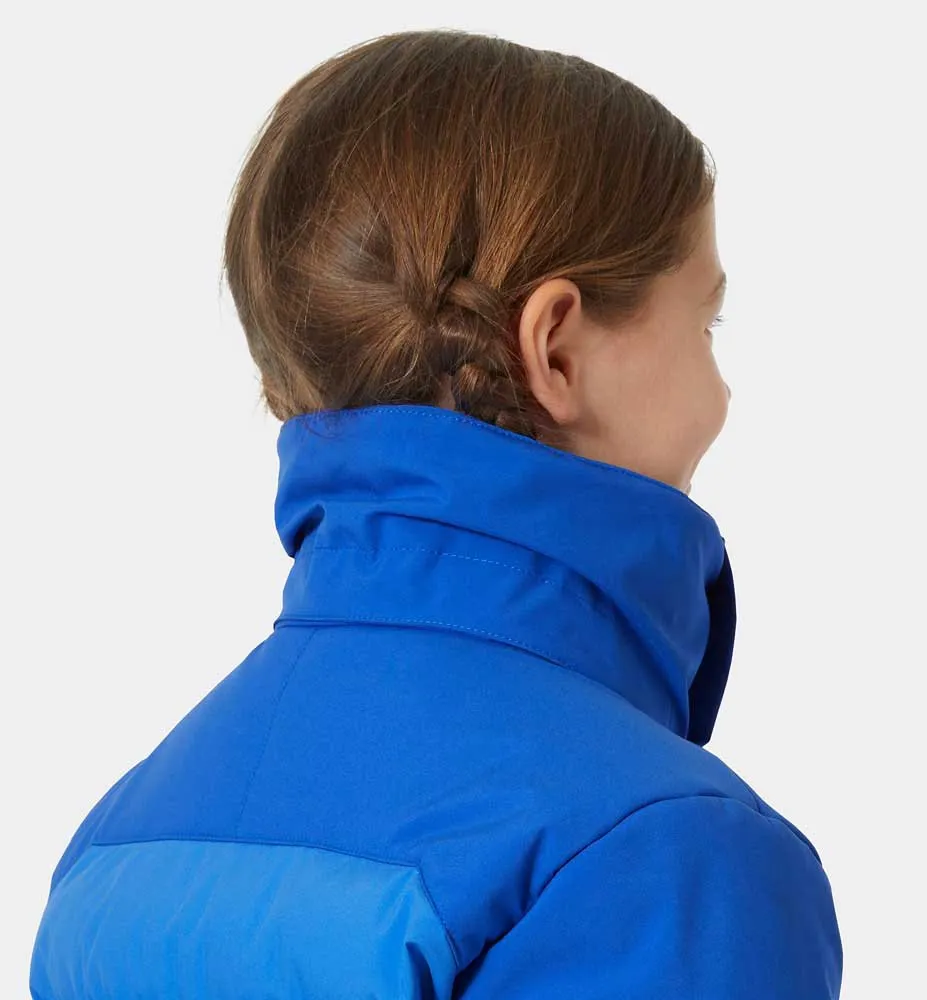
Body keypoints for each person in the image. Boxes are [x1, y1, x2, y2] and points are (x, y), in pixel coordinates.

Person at [29, 28, 842, 999]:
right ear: (556, 349)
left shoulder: (116, 845)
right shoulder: (669, 856)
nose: (721, 395)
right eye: (705, 324)